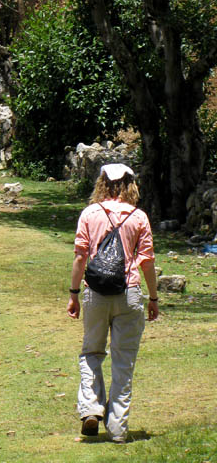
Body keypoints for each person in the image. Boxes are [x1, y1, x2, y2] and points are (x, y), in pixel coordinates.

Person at [67, 163, 159, 443]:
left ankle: (92, 409)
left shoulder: (90, 213)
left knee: (91, 352)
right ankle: (118, 429)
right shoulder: (139, 217)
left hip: (95, 293)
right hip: (129, 293)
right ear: (131, 184)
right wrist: (153, 297)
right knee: (123, 361)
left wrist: (73, 293)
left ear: (102, 183)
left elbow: (80, 256)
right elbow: (146, 261)